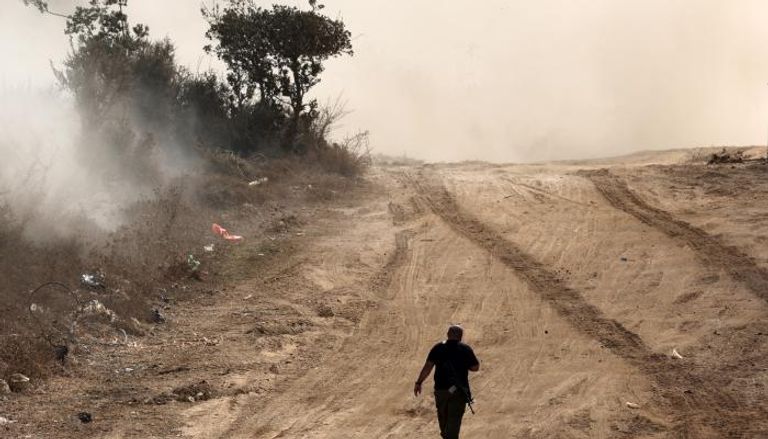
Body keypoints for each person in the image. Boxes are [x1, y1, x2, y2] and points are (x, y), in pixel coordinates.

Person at [414, 325, 480, 439]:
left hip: (441, 391)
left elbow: (428, 367)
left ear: (448, 334)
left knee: (443, 420)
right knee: (454, 421)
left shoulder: (438, 348)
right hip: (458, 391)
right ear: (460, 336)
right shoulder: (465, 349)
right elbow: (475, 367)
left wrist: (419, 382)